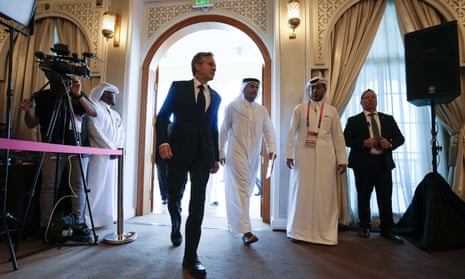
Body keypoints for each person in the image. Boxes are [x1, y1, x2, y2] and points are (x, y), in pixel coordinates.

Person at [155, 52, 221, 278]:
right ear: (197, 65)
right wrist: (163, 141)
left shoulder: (216, 97)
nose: (214, 68)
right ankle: (175, 224)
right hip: (177, 152)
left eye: (214, 65)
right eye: (210, 64)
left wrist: (215, 156)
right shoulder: (178, 87)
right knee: (174, 197)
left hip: (203, 156)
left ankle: (191, 256)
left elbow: (213, 128)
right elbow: (162, 117)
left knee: (198, 204)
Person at [18, 76, 96, 242]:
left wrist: (78, 95)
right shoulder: (41, 96)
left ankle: (79, 223)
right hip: (51, 146)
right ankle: (45, 225)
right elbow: (31, 123)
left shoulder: (77, 94)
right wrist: (30, 110)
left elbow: (93, 112)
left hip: (78, 147)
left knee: (78, 187)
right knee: (48, 186)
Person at [285, 77, 347, 245]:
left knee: (324, 194)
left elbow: (338, 137)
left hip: (326, 158)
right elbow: (291, 133)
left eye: (318, 88)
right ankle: (298, 231)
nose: (315, 91)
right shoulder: (300, 109)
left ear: (324, 90)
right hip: (303, 156)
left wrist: (342, 159)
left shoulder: (332, 111)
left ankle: (325, 233)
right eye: (312, 88)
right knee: (302, 193)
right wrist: (288, 154)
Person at [219, 78, 277, 245]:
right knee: (242, 190)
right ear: (243, 88)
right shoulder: (233, 107)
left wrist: (272, 149)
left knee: (247, 191)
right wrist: (221, 151)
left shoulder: (261, 110)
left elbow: (269, 130)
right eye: (251, 86)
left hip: (253, 156)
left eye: (257, 87)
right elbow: (223, 130)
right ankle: (247, 231)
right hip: (235, 154)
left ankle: (237, 224)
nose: (254, 89)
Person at [343, 89, 405, 244]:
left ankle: (387, 229)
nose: (370, 100)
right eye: (366, 97)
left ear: (376, 100)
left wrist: (389, 144)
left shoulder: (388, 119)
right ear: (361, 102)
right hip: (363, 164)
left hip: (383, 163)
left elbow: (400, 138)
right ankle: (364, 226)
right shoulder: (353, 120)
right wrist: (363, 143)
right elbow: (345, 139)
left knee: (385, 197)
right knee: (363, 196)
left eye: (373, 97)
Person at [85, 82, 125, 227]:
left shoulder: (115, 114)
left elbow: (121, 133)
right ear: (104, 94)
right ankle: (89, 220)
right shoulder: (95, 109)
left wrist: (117, 149)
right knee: (96, 186)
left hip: (113, 155)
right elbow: (94, 130)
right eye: (112, 94)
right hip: (99, 154)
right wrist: (109, 148)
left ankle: (107, 217)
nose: (115, 97)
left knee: (110, 187)